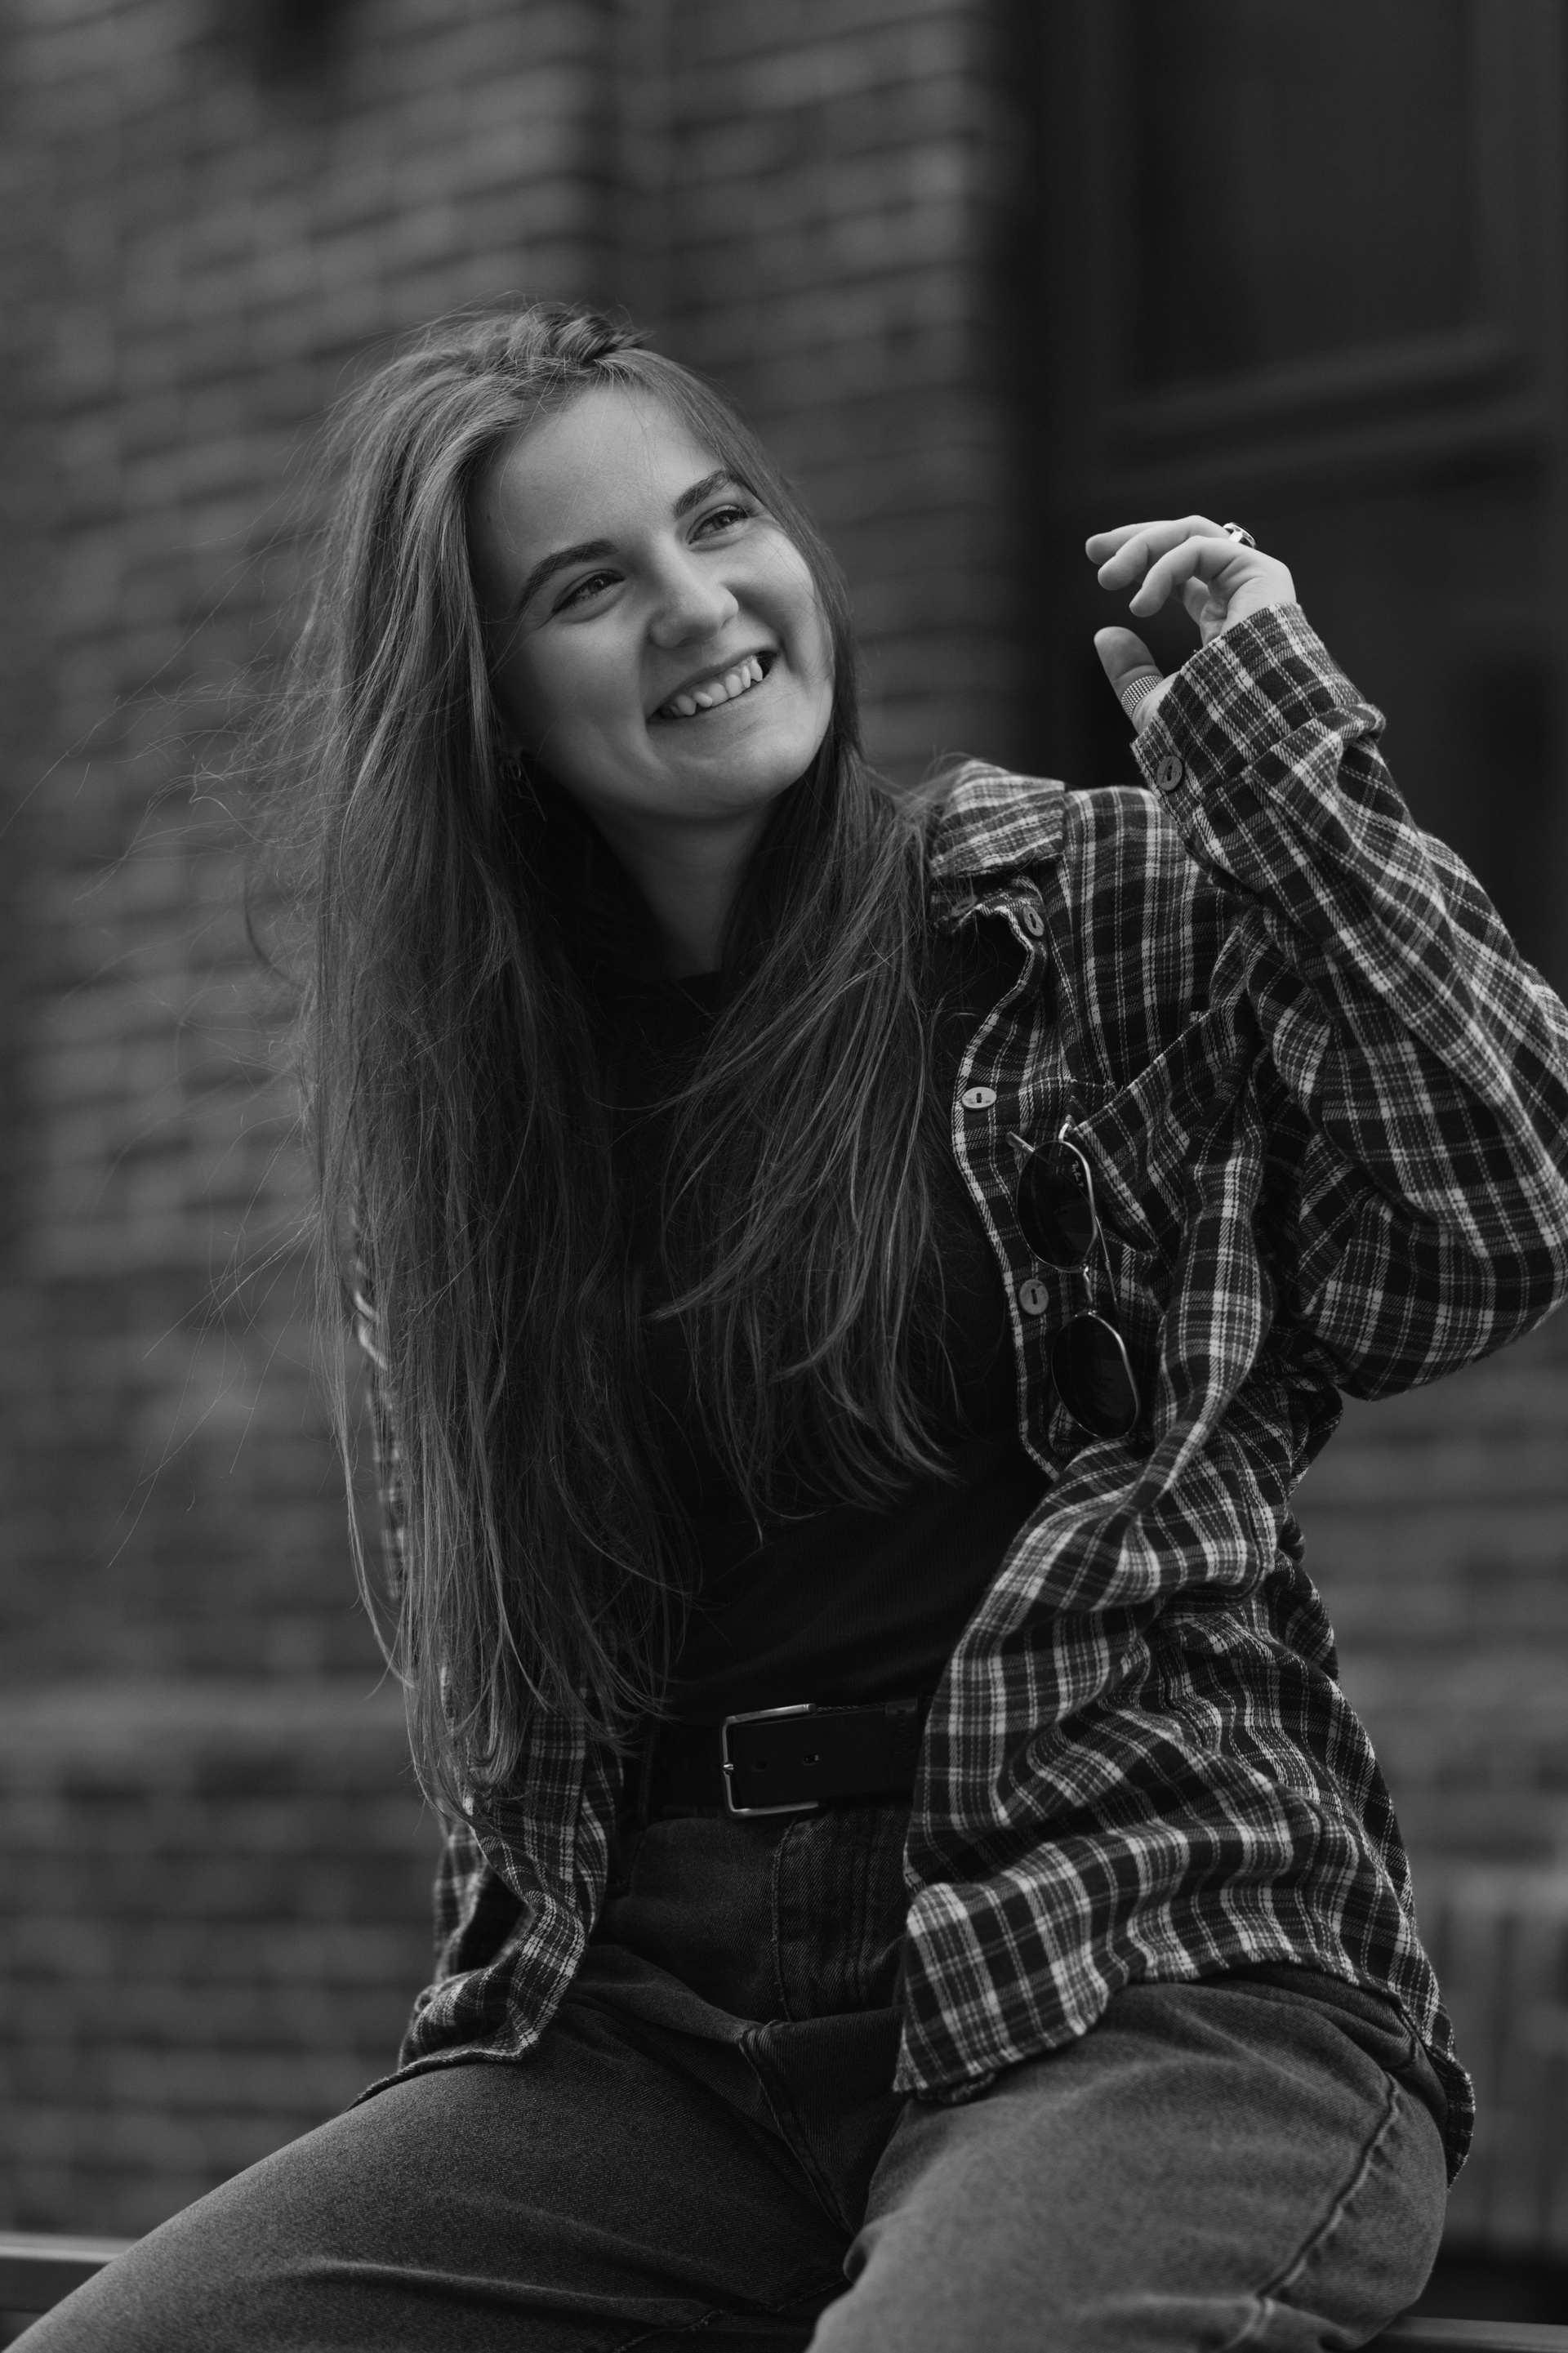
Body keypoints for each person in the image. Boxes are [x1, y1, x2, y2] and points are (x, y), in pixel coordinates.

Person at [24, 301, 1568, 2353]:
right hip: (664, 2038)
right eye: (587, 587)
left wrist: (1283, 769)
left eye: (719, 520)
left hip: (1147, 1963)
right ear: (490, 706)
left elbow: (1499, 1217)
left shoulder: (1074, 908)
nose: (695, 605)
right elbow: (521, 1699)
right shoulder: (486, 1130)